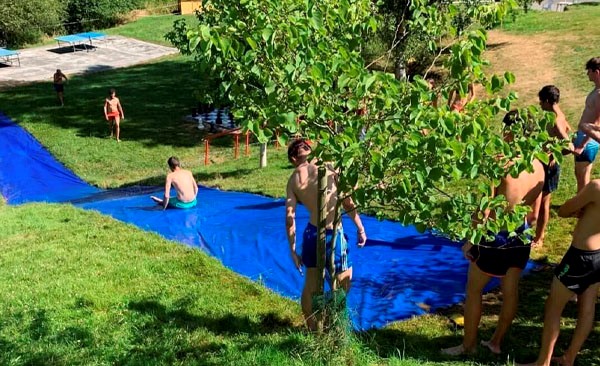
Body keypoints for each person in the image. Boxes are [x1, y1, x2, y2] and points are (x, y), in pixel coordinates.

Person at [442, 111, 544, 356]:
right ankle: (496, 342)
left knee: (474, 290)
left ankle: (468, 346)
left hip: (495, 236)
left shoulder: (501, 163)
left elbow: (484, 209)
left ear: (508, 132)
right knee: (511, 291)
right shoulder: (539, 165)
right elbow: (534, 214)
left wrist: (470, 241)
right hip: (521, 234)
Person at [285, 139, 367, 331]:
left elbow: (290, 219)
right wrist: (360, 228)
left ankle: (314, 329)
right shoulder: (328, 166)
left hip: (312, 234)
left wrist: (293, 250)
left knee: (311, 284)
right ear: (310, 151)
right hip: (333, 232)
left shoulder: (293, 180)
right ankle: (335, 327)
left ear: (293, 159)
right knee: (343, 283)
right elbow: (347, 202)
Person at [516, 180, 600, 366]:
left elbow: (563, 210)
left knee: (554, 307)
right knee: (587, 309)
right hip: (598, 255)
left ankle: (543, 362)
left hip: (581, 256)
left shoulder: (596, 187)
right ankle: (569, 358)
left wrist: (581, 208)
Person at [533, 85, 573, 248]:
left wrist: (553, 155)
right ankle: (536, 234)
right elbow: (568, 128)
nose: (540, 105)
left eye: (542, 102)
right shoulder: (559, 114)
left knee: (544, 204)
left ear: (548, 101)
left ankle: (539, 238)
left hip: (549, 167)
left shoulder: (555, 119)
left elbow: (569, 146)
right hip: (544, 164)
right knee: (538, 202)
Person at [572, 57, 600, 192]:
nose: (587, 74)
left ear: (597, 72)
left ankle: (583, 211)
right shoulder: (597, 90)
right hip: (585, 137)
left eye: (589, 71)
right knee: (581, 176)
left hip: (588, 141)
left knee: (582, 180)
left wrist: (582, 144)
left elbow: (597, 122)